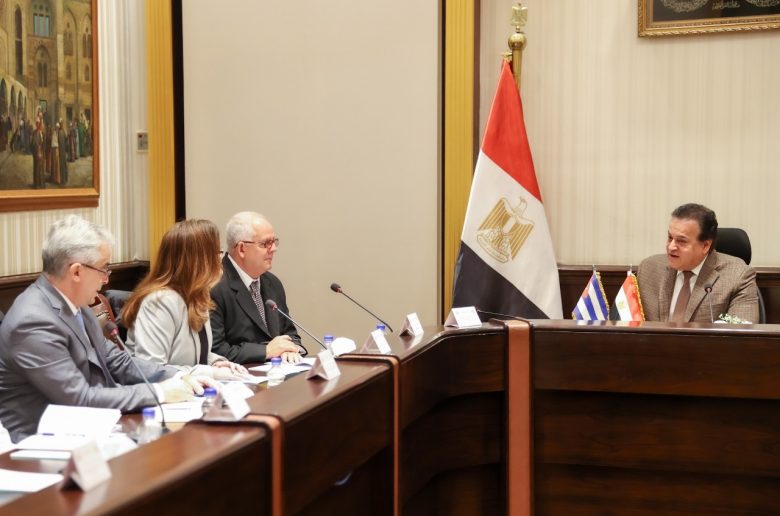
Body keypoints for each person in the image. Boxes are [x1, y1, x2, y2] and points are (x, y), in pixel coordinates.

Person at [0, 216, 215, 442]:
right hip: (38, 445)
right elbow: (78, 399)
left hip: (89, 430)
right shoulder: (33, 321)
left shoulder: (78, 307)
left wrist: (181, 376)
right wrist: (160, 392)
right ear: (76, 271)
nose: (106, 280)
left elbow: (117, 361)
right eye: (104, 269)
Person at [122, 220, 249, 380]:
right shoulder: (160, 302)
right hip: (157, 392)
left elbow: (196, 357)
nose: (221, 258)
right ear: (197, 260)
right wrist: (210, 373)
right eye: (217, 252)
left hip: (188, 389)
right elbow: (152, 369)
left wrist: (216, 362)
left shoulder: (197, 295)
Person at [637, 203, 759, 323]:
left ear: (705, 246)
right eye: (670, 238)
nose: (671, 247)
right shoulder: (649, 269)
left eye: (681, 241)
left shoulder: (737, 275)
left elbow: (741, 329)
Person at [211, 212, 304, 364]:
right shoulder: (214, 286)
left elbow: (290, 333)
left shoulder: (273, 283)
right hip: (239, 376)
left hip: (280, 372)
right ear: (242, 249)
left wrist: (290, 348)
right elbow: (216, 351)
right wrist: (265, 351)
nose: (274, 248)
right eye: (266, 243)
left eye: (274, 241)